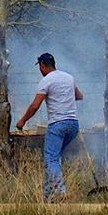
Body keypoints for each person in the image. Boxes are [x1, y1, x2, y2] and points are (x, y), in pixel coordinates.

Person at [14, 52, 83, 199]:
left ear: (42, 66)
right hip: (73, 125)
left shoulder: (46, 81)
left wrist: (22, 121)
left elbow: (34, 106)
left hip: (57, 125)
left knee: (51, 158)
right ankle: (47, 195)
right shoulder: (69, 77)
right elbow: (79, 96)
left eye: (40, 66)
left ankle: (59, 192)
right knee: (54, 158)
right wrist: (64, 98)